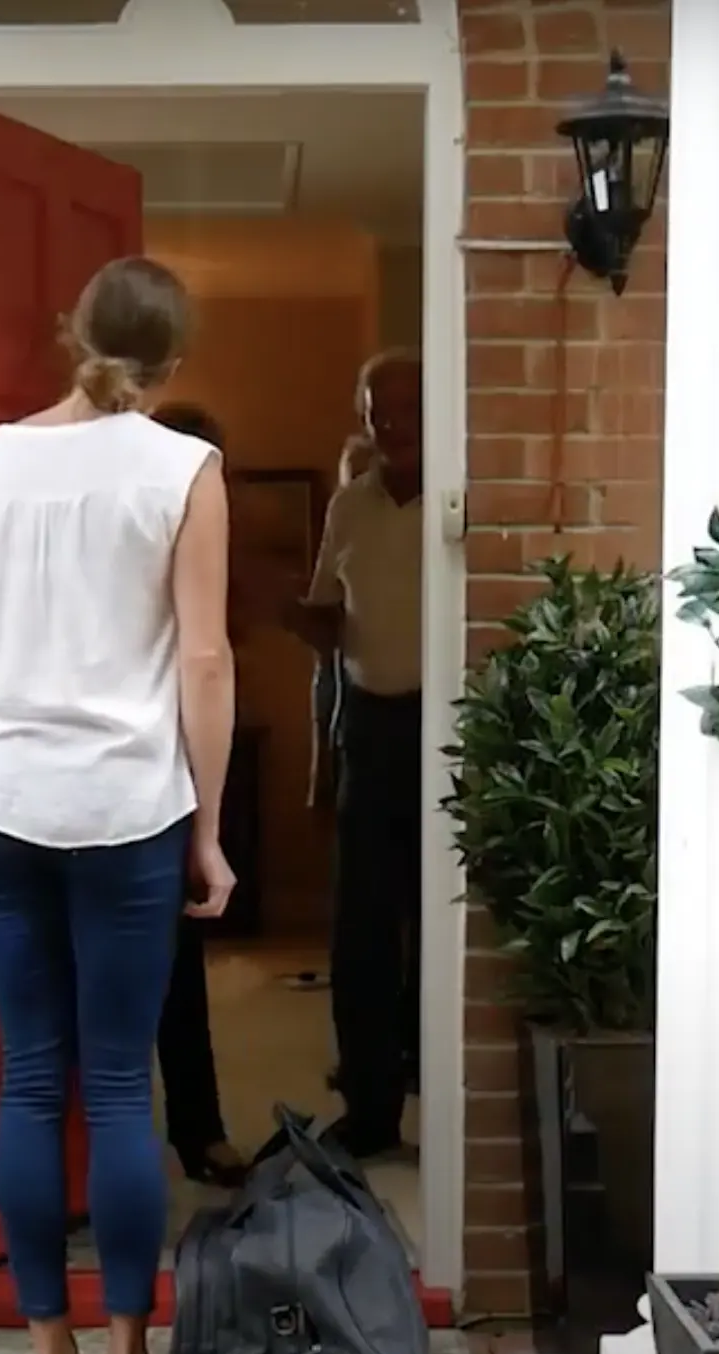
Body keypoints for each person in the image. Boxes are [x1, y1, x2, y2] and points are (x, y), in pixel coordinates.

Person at [0, 257, 237, 1354]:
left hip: (1, 803)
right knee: (115, 1086)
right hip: (127, 808)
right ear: (172, 359)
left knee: (28, 1081)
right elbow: (202, 659)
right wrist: (208, 826)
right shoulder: (182, 469)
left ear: (72, 333)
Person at [290, 348, 423, 1161]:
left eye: (405, 410)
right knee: (361, 932)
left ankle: (440, 1098)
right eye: (379, 413)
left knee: (440, 931)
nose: (392, 425)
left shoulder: (462, 497)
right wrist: (274, 603)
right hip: (370, 728)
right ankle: (372, 1113)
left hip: (449, 733)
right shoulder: (349, 506)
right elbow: (329, 621)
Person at [144, 401, 252, 1190]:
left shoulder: (211, 538)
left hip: (184, 759)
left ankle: (199, 1128)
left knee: (179, 967)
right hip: (132, 765)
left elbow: (213, 651)